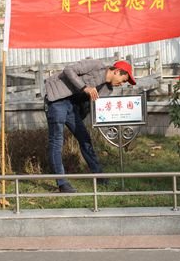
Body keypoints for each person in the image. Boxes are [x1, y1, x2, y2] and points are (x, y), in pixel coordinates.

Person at [44, 59, 136, 193]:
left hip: (72, 107)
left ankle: (99, 177)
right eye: (123, 80)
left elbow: (101, 111)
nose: (121, 84)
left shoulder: (107, 89)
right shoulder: (96, 65)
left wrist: (121, 133)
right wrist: (85, 88)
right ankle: (62, 183)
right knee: (57, 141)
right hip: (57, 99)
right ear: (116, 71)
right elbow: (69, 70)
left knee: (85, 139)